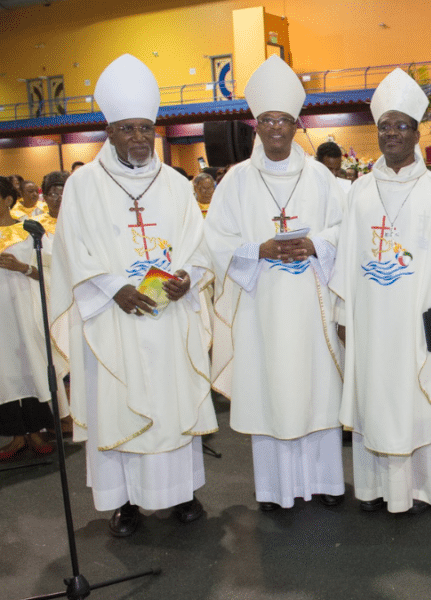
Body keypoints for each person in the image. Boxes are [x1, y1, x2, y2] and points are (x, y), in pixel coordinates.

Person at [50, 54, 217, 538]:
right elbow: (71, 250)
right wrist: (113, 288)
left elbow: (197, 243)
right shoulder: (82, 186)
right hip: (113, 318)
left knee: (171, 403)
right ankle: (124, 504)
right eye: (128, 129)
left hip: (167, 316)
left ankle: (182, 492)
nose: (140, 138)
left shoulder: (175, 184)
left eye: (147, 128)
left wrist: (188, 277)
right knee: (117, 405)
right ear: (110, 131)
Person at [203, 55, 346, 512]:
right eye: (267, 120)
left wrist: (316, 244)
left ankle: (324, 483)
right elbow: (216, 240)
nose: (277, 129)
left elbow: (346, 230)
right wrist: (257, 250)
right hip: (259, 309)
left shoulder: (322, 178)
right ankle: (273, 490)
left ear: (295, 123)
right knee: (270, 392)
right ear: (256, 126)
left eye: (284, 120)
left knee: (316, 389)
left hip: (313, 305)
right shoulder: (235, 182)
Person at [332, 68, 431, 515]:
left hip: (419, 323)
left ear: (416, 133)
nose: (392, 133)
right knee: (377, 402)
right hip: (372, 321)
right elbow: (345, 262)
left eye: (401, 125)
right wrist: (343, 317)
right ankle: (374, 489)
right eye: (385, 126)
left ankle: (426, 488)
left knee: (417, 401)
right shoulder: (358, 193)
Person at [0, 176, 56, 460]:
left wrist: (22, 267)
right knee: (3, 373)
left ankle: (37, 430)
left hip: (24, 309)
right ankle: (15, 436)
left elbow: (52, 270)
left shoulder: (30, 231)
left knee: (29, 364)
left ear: (8, 200)